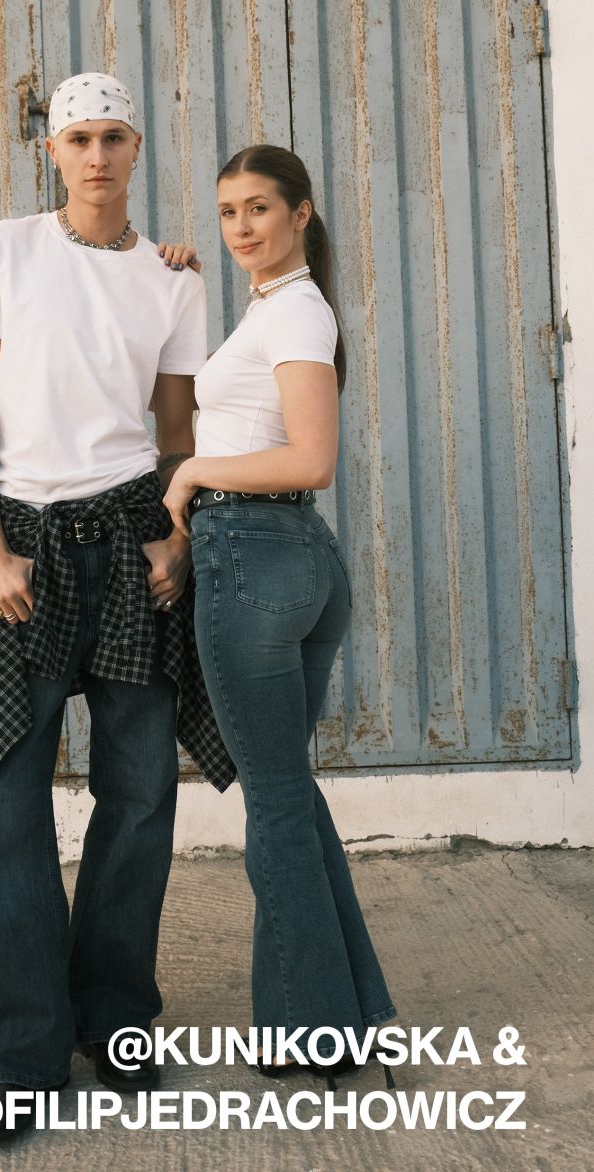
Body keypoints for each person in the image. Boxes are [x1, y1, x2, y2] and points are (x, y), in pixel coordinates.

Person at [0, 72, 234, 1148]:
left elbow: (177, 431)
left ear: (137, 146)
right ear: (52, 152)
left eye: (113, 136)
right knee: (12, 808)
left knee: (140, 795)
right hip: (29, 546)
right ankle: (19, 1060)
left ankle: (116, 1020)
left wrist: (178, 532)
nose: (96, 155)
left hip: (133, 541)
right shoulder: (4, 250)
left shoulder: (172, 279)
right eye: (78, 139)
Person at [163, 144, 397, 1089]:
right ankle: (343, 1014)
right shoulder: (274, 308)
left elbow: (311, 459)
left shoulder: (298, 310)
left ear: (301, 213)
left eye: (259, 208)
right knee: (288, 794)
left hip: (255, 559)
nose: (241, 227)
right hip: (288, 559)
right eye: (228, 212)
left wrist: (190, 471)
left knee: (274, 801)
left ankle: (312, 1032)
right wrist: (165, 268)